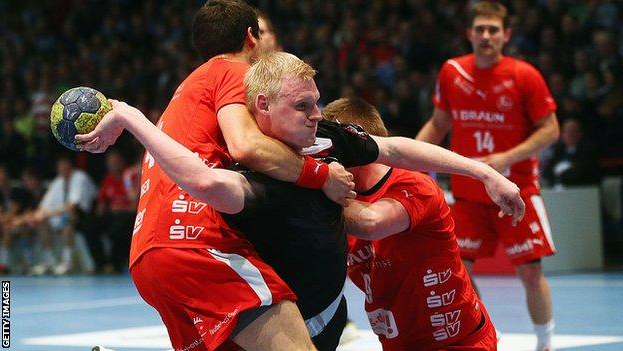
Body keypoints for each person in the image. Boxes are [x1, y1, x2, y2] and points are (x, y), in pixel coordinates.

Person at [80, 51, 524, 350]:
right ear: (263, 106)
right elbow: (202, 180)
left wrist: (484, 172)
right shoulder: (257, 178)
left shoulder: (326, 137)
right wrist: (131, 117)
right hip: (281, 314)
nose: (316, 114)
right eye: (303, 106)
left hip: (329, 312)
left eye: (316, 103)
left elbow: (395, 147)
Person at [78, 1, 357, 350]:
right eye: (266, 33)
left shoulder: (189, 88)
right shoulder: (232, 70)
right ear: (251, 38)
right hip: (197, 241)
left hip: (149, 254)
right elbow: (247, 146)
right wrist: (323, 176)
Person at [415, 2, 560, 350]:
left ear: (506, 35)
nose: (486, 36)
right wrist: (402, 158)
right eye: (479, 29)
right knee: (459, 269)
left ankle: (546, 344)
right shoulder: (452, 72)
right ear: (469, 33)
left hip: (516, 191)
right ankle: (484, 335)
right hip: (468, 193)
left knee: (530, 272)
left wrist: (506, 158)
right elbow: (438, 125)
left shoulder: (524, 75)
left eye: (493, 30)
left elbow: (551, 129)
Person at [323, 97, 497, 350]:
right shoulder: (336, 195)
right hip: (399, 342)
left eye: (329, 146)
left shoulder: (415, 185)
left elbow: (371, 222)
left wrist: (317, 182)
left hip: (459, 342)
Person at [29, 155, 98, 275]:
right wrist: (37, 217)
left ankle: (67, 263)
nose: (63, 170)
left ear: (70, 167)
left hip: (86, 215)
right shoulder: (58, 181)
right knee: (42, 223)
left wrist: (48, 214)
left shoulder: (80, 177)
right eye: (60, 168)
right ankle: (49, 262)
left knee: (69, 219)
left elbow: (73, 206)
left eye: (65, 167)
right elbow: (44, 206)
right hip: (62, 216)